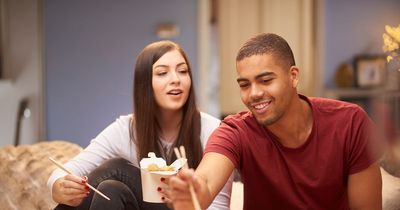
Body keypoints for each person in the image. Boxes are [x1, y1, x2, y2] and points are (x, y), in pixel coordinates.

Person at [167, 33, 383, 210]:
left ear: (294, 76)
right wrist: (194, 194)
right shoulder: (235, 131)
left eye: (266, 80)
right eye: (244, 84)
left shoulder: (350, 122)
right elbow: (205, 181)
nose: (254, 93)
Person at [47, 40, 233, 210]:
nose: (176, 79)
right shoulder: (126, 129)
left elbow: (219, 207)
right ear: (145, 85)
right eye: (162, 73)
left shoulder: (214, 130)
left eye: (183, 71)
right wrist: (59, 187)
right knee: (111, 190)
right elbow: (65, 172)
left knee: (117, 168)